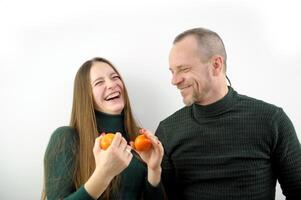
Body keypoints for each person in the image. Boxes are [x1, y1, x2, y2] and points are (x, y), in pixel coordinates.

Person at [155, 27, 301, 199]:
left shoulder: (271, 120)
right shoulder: (168, 130)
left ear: (216, 65)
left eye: (184, 69)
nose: (174, 80)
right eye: (172, 71)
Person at [42, 57, 164, 200]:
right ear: (86, 96)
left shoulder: (138, 139)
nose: (112, 84)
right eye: (99, 82)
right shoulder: (66, 137)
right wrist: (104, 174)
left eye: (115, 77)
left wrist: (154, 170)